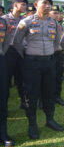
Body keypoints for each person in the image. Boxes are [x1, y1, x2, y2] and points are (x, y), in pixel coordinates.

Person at [13, 0, 64, 139]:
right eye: (44, 3)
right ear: (36, 5)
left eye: (49, 4)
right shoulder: (26, 21)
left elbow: (56, 44)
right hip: (31, 63)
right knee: (32, 94)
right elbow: (17, 42)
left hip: (48, 62)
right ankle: (32, 124)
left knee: (49, 92)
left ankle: (50, 120)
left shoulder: (53, 23)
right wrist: (29, 55)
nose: (47, 6)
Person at [2, 0, 27, 108]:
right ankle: (4, 105)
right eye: (22, 4)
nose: (25, 7)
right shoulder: (4, 19)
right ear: (15, 5)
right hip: (9, 52)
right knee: (6, 80)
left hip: (21, 51)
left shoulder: (25, 20)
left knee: (22, 78)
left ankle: (24, 101)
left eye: (25, 4)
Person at [0, 17, 15, 146]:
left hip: (0, 60)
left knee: (2, 98)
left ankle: (3, 133)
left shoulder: (3, 22)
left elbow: (7, 40)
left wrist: (1, 53)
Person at [49, 5, 64, 106]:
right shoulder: (45, 24)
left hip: (58, 53)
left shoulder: (59, 25)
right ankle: (44, 99)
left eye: (59, 13)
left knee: (58, 77)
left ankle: (57, 96)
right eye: (55, 13)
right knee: (47, 78)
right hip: (48, 54)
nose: (58, 15)